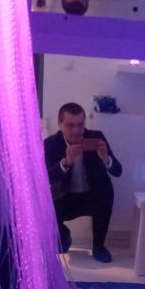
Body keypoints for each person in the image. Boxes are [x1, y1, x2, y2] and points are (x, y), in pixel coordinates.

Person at [44, 102, 122, 263]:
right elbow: (46, 177)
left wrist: (106, 158)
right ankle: (63, 236)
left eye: (80, 125)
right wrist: (66, 162)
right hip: (64, 196)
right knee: (45, 207)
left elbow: (118, 171)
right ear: (60, 124)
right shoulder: (51, 144)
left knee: (106, 194)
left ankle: (99, 246)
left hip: (93, 195)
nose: (76, 131)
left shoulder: (96, 138)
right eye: (70, 125)